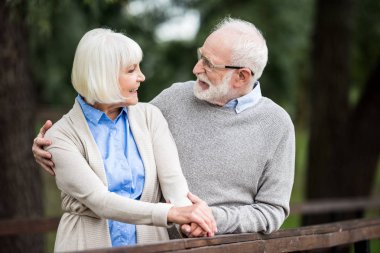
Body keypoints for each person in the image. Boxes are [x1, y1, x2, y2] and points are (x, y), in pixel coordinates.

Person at [33, 17, 295, 239]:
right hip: (159, 244)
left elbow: (272, 211)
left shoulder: (276, 125)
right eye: (200, 56)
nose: (196, 69)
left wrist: (207, 219)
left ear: (242, 76)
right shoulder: (173, 99)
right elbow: (111, 115)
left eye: (209, 64)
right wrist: (50, 146)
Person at [35, 28, 216, 252]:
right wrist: (171, 213)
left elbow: (175, 185)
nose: (142, 76)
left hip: (151, 245)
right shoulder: (60, 136)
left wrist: (192, 221)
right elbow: (99, 201)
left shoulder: (150, 117)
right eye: (131, 70)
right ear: (104, 76)